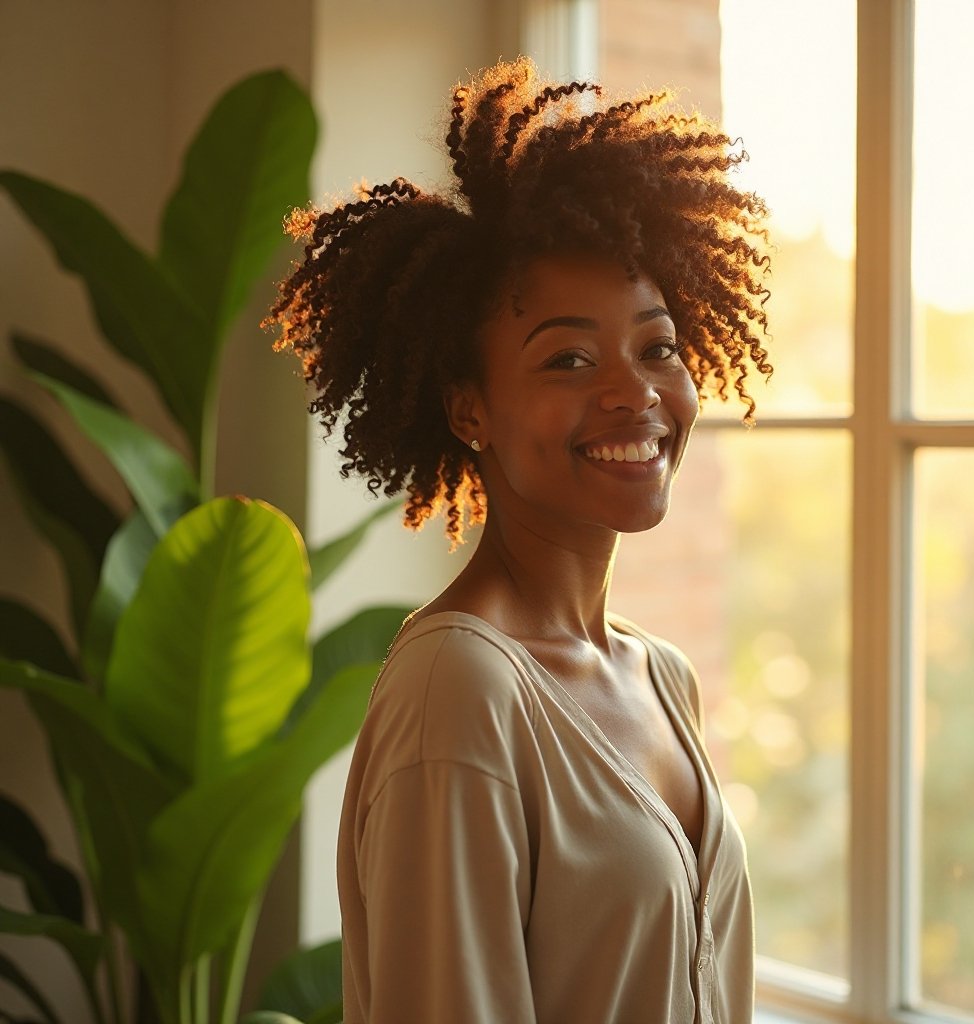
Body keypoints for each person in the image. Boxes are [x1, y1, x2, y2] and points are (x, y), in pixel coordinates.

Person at [267, 57, 772, 1024]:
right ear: (469, 409)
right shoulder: (460, 691)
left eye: (657, 345)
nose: (634, 393)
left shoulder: (662, 677)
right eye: (570, 359)